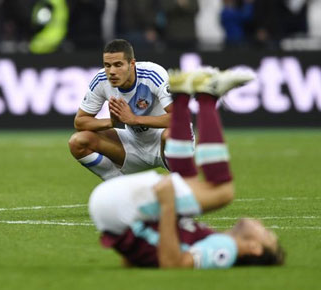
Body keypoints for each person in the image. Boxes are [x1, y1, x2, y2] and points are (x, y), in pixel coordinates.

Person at [88, 68, 285, 268]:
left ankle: (206, 98)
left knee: (224, 192)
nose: (263, 225)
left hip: (116, 207)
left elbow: (174, 264)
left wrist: (167, 207)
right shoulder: (211, 240)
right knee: (187, 179)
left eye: (268, 235)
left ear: (254, 248)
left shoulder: (225, 249)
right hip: (114, 212)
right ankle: (182, 94)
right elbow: (146, 251)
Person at [68, 39, 172, 180]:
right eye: (107, 65)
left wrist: (135, 119)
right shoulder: (101, 80)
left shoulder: (153, 74)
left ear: (132, 64)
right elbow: (80, 122)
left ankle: (181, 182)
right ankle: (116, 184)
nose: (112, 72)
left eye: (118, 65)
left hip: (164, 143)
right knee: (78, 141)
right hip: (134, 144)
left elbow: (180, 118)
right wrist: (111, 122)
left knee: (172, 134)